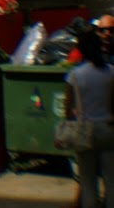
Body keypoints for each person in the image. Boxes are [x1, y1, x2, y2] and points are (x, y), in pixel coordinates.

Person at [65, 31, 114, 208]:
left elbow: (68, 107)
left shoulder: (75, 75)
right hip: (108, 128)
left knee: (87, 182)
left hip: (84, 130)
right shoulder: (111, 72)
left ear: (81, 50)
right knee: (111, 180)